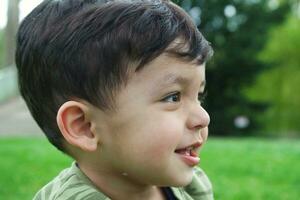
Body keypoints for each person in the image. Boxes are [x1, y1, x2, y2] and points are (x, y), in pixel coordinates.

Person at [15, 0, 214, 199]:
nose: (203, 118)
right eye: (173, 97)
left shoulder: (191, 187)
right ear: (84, 126)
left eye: (198, 96)